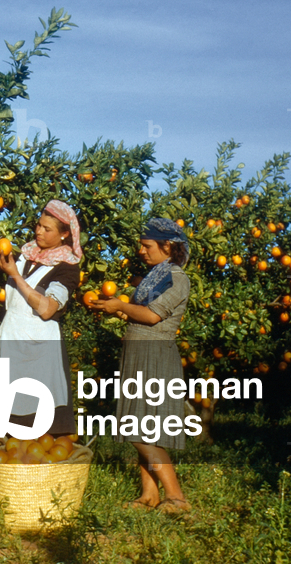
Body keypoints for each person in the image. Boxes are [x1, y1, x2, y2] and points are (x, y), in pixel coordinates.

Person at [91, 217, 192, 514]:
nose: (141, 251)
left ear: (167, 246)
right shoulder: (155, 275)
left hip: (155, 354)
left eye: (147, 246)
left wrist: (120, 306)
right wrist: (117, 308)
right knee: (142, 426)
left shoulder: (176, 277)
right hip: (138, 352)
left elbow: (151, 316)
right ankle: (149, 494)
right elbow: (140, 314)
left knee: (137, 429)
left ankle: (176, 496)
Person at [0, 199, 82, 437]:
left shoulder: (67, 267)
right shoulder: (25, 254)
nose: (38, 231)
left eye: (47, 229)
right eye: (38, 225)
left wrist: (14, 276)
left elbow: (48, 309)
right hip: (12, 339)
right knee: (4, 424)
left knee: (39, 424)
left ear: (64, 235)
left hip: (40, 351)